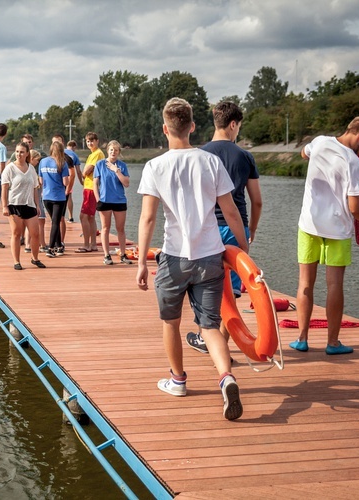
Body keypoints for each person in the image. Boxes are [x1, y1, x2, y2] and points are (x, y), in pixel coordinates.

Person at [136, 97, 249, 421]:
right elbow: (231, 212)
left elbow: (147, 219)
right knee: (210, 325)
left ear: (165, 128)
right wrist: (243, 252)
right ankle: (226, 378)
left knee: (171, 323)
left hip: (173, 258)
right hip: (210, 257)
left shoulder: (156, 166)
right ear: (193, 126)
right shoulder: (210, 162)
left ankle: (178, 381)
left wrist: (142, 262)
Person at [289, 116, 359, 355]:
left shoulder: (319, 142)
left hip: (309, 225)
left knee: (305, 283)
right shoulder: (355, 163)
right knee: (335, 285)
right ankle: (333, 343)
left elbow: (303, 154)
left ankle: (302, 338)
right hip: (337, 230)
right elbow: (355, 207)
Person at [187, 101, 263, 354]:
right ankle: (221, 342)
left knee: (206, 286)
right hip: (234, 227)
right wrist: (250, 230)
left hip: (206, 227)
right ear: (233, 124)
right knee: (231, 292)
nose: (238, 131)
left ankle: (206, 338)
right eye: (239, 127)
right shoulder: (245, 156)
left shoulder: (199, 154)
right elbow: (257, 200)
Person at [1, 142, 46, 270]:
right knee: (16, 233)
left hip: (30, 204)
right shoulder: (10, 168)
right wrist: (5, 206)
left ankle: (35, 258)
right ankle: (16, 261)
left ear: (27, 154)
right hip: (15, 204)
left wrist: (37, 205)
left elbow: (35, 187)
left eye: (21, 152)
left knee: (35, 233)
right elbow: (4, 188)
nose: (18, 154)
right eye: (17, 152)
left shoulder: (31, 168)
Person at [93, 140, 133, 265]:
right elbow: (95, 183)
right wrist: (97, 199)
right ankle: (106, 255)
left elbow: (126, 183)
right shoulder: (100, 164)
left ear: (119, 152)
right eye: (111, 150)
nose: (113, 152)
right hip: (104, 200)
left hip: (119, 200)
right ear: (107, 151)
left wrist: (117, 170)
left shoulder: (122, 166)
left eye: (116, 150)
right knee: (105, 228)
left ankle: (123, 254)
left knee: (120, 228)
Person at [38, 141, 69, 258]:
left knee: (54, 220)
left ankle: (59, 246)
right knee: (56, 222)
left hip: (46, 196)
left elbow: (40, 181)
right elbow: (65, 182)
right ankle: (51, 248)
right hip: (58, 197)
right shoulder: (62, 163)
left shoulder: (43, 161)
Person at [78, 132, 104, 252]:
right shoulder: (94, 154)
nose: (90, 143)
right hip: (92, 188)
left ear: (97, 141)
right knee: (91, 217)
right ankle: (93, 244)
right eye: (88, 141)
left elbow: (87, 170)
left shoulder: (97, 154)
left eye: (92, 140)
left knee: (83, 216)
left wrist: (83, 173)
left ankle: (86, 245)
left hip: (90, 188)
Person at [51, 134, 77, 245]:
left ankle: (61, 241)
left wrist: (68, 189)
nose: (57, 144)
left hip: (62, 192)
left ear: (62, 143)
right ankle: (55, 240)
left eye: (59, 142)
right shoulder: (49, 159)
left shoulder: (67, 158)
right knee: (53, 218)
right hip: (50, 193)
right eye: (54, 142)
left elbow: (72, 175)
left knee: (60, 217)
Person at [28, 149, 49, 252]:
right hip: (36, 200)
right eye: (37, 160)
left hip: (30, 200)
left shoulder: (26, 168)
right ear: (32, 159)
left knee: (28, 222)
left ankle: (28, 245)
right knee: (41, 221)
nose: (38, 162)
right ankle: (42, 244)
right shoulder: (31, 169)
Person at [65, 139, 81, 223]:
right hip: (69, 177)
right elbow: (78, 171)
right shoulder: (75, 155)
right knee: (69, 196)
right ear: (74, 147)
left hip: (59, 176)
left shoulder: (61, 151)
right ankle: (70, 217)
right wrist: (82, 182)